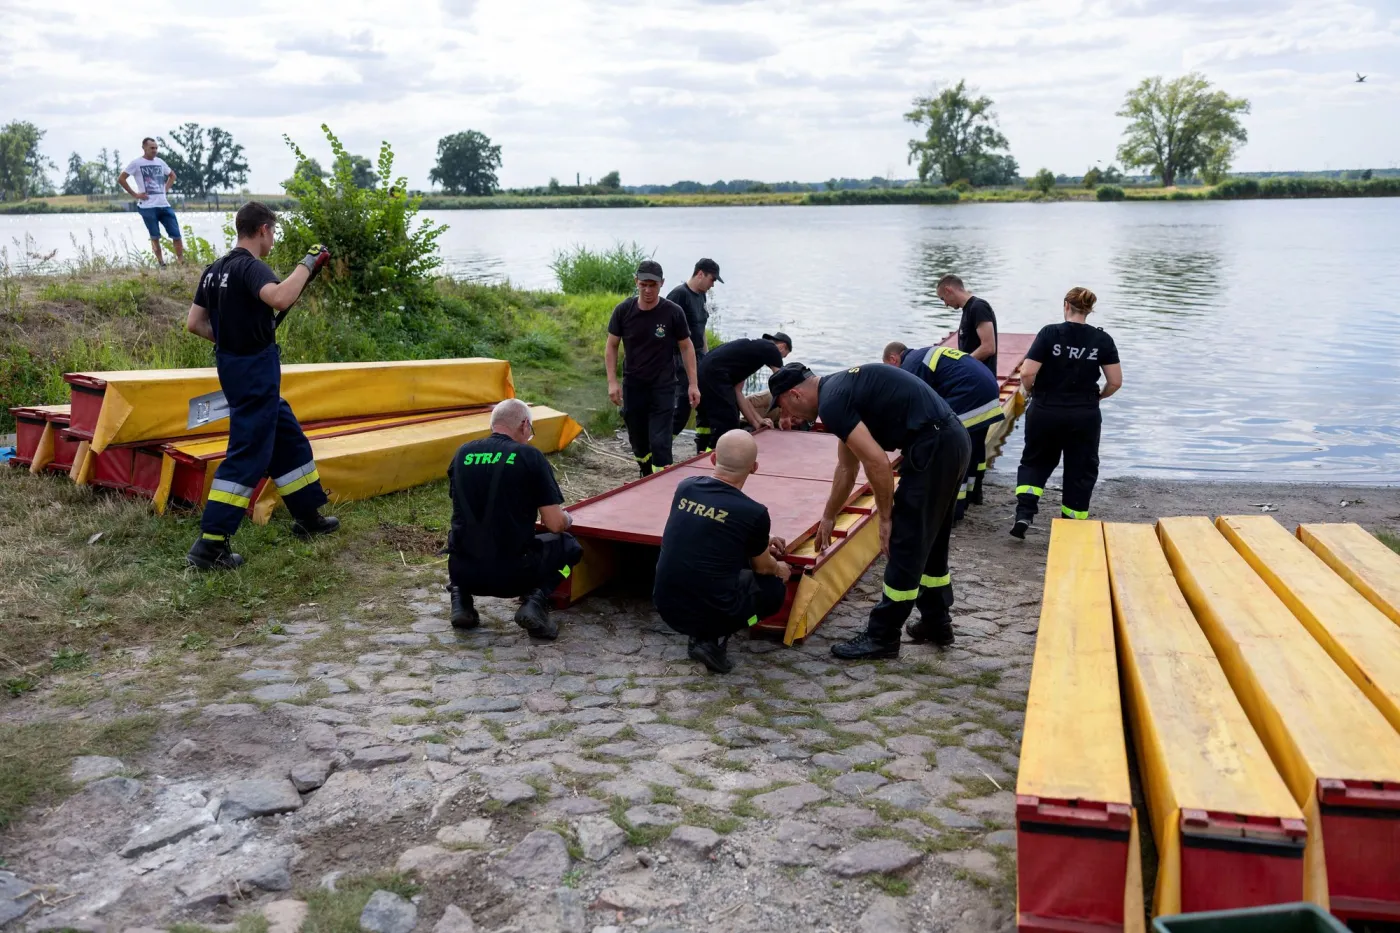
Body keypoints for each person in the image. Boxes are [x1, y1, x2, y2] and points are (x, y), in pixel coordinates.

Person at [770, 362, 970, 660]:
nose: (788, 416)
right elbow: (846, 467)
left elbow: (877, 463)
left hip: (935, 445)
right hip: (950, 440)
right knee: (933, 539)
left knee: (905, 542)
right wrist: (828, 515)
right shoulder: (838, 390)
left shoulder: (834, 402)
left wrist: (886, 518)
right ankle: (936, 621)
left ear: (795, 394)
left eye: (783, 407)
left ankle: (883, 636)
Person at [184, 201, 335, 570]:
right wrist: (307, 263)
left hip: (235, 366)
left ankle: (307, 515)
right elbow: (281, 297)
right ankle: (210, 545)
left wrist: (233, 342)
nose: (272, 240)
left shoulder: (214, 270)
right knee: (248, 452)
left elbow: (195, 323)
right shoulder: (250, 266)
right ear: (263, 229)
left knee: (285, 434)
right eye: (273, 233)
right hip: (255, 370)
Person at [653, 429, 792, 673]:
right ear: (754, 467)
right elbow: (763, 567)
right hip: (716, 611)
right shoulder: (754, 512)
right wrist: (780, 568)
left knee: (713, 555)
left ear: (713, 459)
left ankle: (702, 635)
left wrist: (758, 538)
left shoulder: (686, 487)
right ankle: (715, 636)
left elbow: (712, 524)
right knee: (774, 588)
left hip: (666, 606)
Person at [445, 398, 583, 640]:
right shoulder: (529, 456)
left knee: (466, 533)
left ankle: (461, 601)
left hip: (463, 569)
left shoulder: (462, 454)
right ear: (524, 425)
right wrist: (567, 519)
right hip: (513, 575)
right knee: (570, 547)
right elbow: (554, 523)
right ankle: (535, 601)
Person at [1012, 287, 1122, 538]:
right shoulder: (1102, 340)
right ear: (1089, 310)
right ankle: (1071, 525)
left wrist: (1031, 392)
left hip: (1046, 408)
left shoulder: (1050, 333)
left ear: (1066, 306)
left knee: (1035, 461)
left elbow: (1027, 373)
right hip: (1084, 412)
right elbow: (1115, 381)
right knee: (1081, 468)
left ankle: (1024, 515)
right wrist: (1099, 396)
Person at [883, 341, 1004, 520]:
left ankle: (955, 510)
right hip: (989, 393)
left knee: (951, 449)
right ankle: (974, 494)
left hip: (970, 395)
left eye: (889, 368)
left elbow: (914, 405)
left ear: (893, 359)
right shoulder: (923, 355)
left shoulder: (910, 366)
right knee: (975, 447)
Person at [606, 260, 700, 477]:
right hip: (633, 384)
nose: (648, 290)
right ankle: (645, 472)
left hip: (663, 385)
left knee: (660, 441)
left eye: (653, 285)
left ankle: (662, 482)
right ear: (636, 282)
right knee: (638, 441)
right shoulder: (623, 311)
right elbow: (611, 346)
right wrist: (612, 382)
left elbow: (687, 347)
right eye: (643, 285)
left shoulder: (672, 312)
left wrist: (693, 384)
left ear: (662, 284)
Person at [694, 332, 792, 452]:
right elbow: (781, 383)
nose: (779, 359)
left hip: (703, 372)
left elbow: (738, 393)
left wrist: (757, 421)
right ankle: (714, 457)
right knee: (726, 422)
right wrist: (785, 415)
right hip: (716, 376)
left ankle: (701, 453)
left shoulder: (750, 352)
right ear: (782, 346)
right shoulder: (771, 348)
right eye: (783, 356)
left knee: (709, 419)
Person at [667, 258, 722, 437]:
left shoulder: (702, 295)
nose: (713, 285)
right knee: (683, 405)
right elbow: (665, 329)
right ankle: (661, 447)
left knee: (706, 401)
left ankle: (702, 445)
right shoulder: (679, 295)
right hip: (679, 358)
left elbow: (701, 328)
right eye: (712, 279)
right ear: (700, 274)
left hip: (699, 356)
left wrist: (706, 356)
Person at [118, 138, 183, 266]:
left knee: (176, 235)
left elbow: (172, 176)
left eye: (156, 148)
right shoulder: (136, 163)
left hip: (164, 205)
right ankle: (161, 263)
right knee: (155, 236)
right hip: (147, 206)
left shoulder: (160, 162)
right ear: (144, 148)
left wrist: (165, 189)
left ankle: (181, 262)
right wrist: (135, 194)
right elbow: (121, 179)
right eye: (152, 148)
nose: (154, 150)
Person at [936, 275, 997, 377]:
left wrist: (962, 364)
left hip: (982, 380)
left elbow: (989, 347)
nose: (945, 304)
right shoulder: (967, 310)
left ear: (948, 290)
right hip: (971, 377)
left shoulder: (978, 307)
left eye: (943, 299)